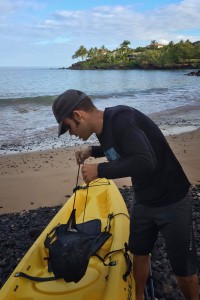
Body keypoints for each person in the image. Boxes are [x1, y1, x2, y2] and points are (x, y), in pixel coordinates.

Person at [52, 89, 199, 300]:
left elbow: (145, 161)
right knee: (138, 252)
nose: (71, 134)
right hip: (143, 199)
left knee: (183, 271)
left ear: (78, 115)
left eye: (68, 127)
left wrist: (99, 171)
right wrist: (92, 151)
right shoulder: (105, 127)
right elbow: (118, 145)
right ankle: (138, 296)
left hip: (172, 199)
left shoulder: (122, 118)